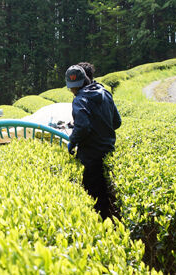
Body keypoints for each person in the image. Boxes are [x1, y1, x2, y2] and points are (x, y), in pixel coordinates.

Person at [65, 65, 122, 220]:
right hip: (109, 151)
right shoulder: (105, 93)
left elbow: (82, 126)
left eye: (73, 88)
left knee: (94, 200)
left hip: (91, 157)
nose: (73, 91)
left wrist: (72, 141)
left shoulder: (79, 100)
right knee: (106, 194)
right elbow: (116, 122)